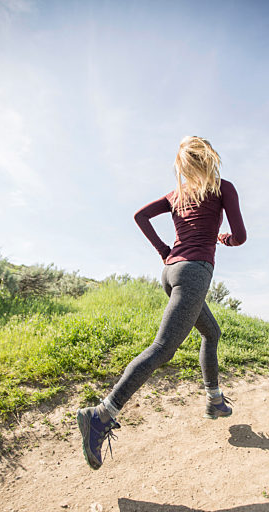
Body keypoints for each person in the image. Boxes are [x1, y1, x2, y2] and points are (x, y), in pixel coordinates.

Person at [77, 135, 247, 470]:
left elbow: (140, 216)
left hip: (171, 273)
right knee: (162, 349)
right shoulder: (223, 187)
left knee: (211, 333)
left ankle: (214, 401)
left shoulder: (176, 194)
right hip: (195, 273)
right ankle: (102, 413)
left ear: (184, 165)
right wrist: (223, 238)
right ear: (210, 158)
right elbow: (240, 236)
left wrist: (164, 251)